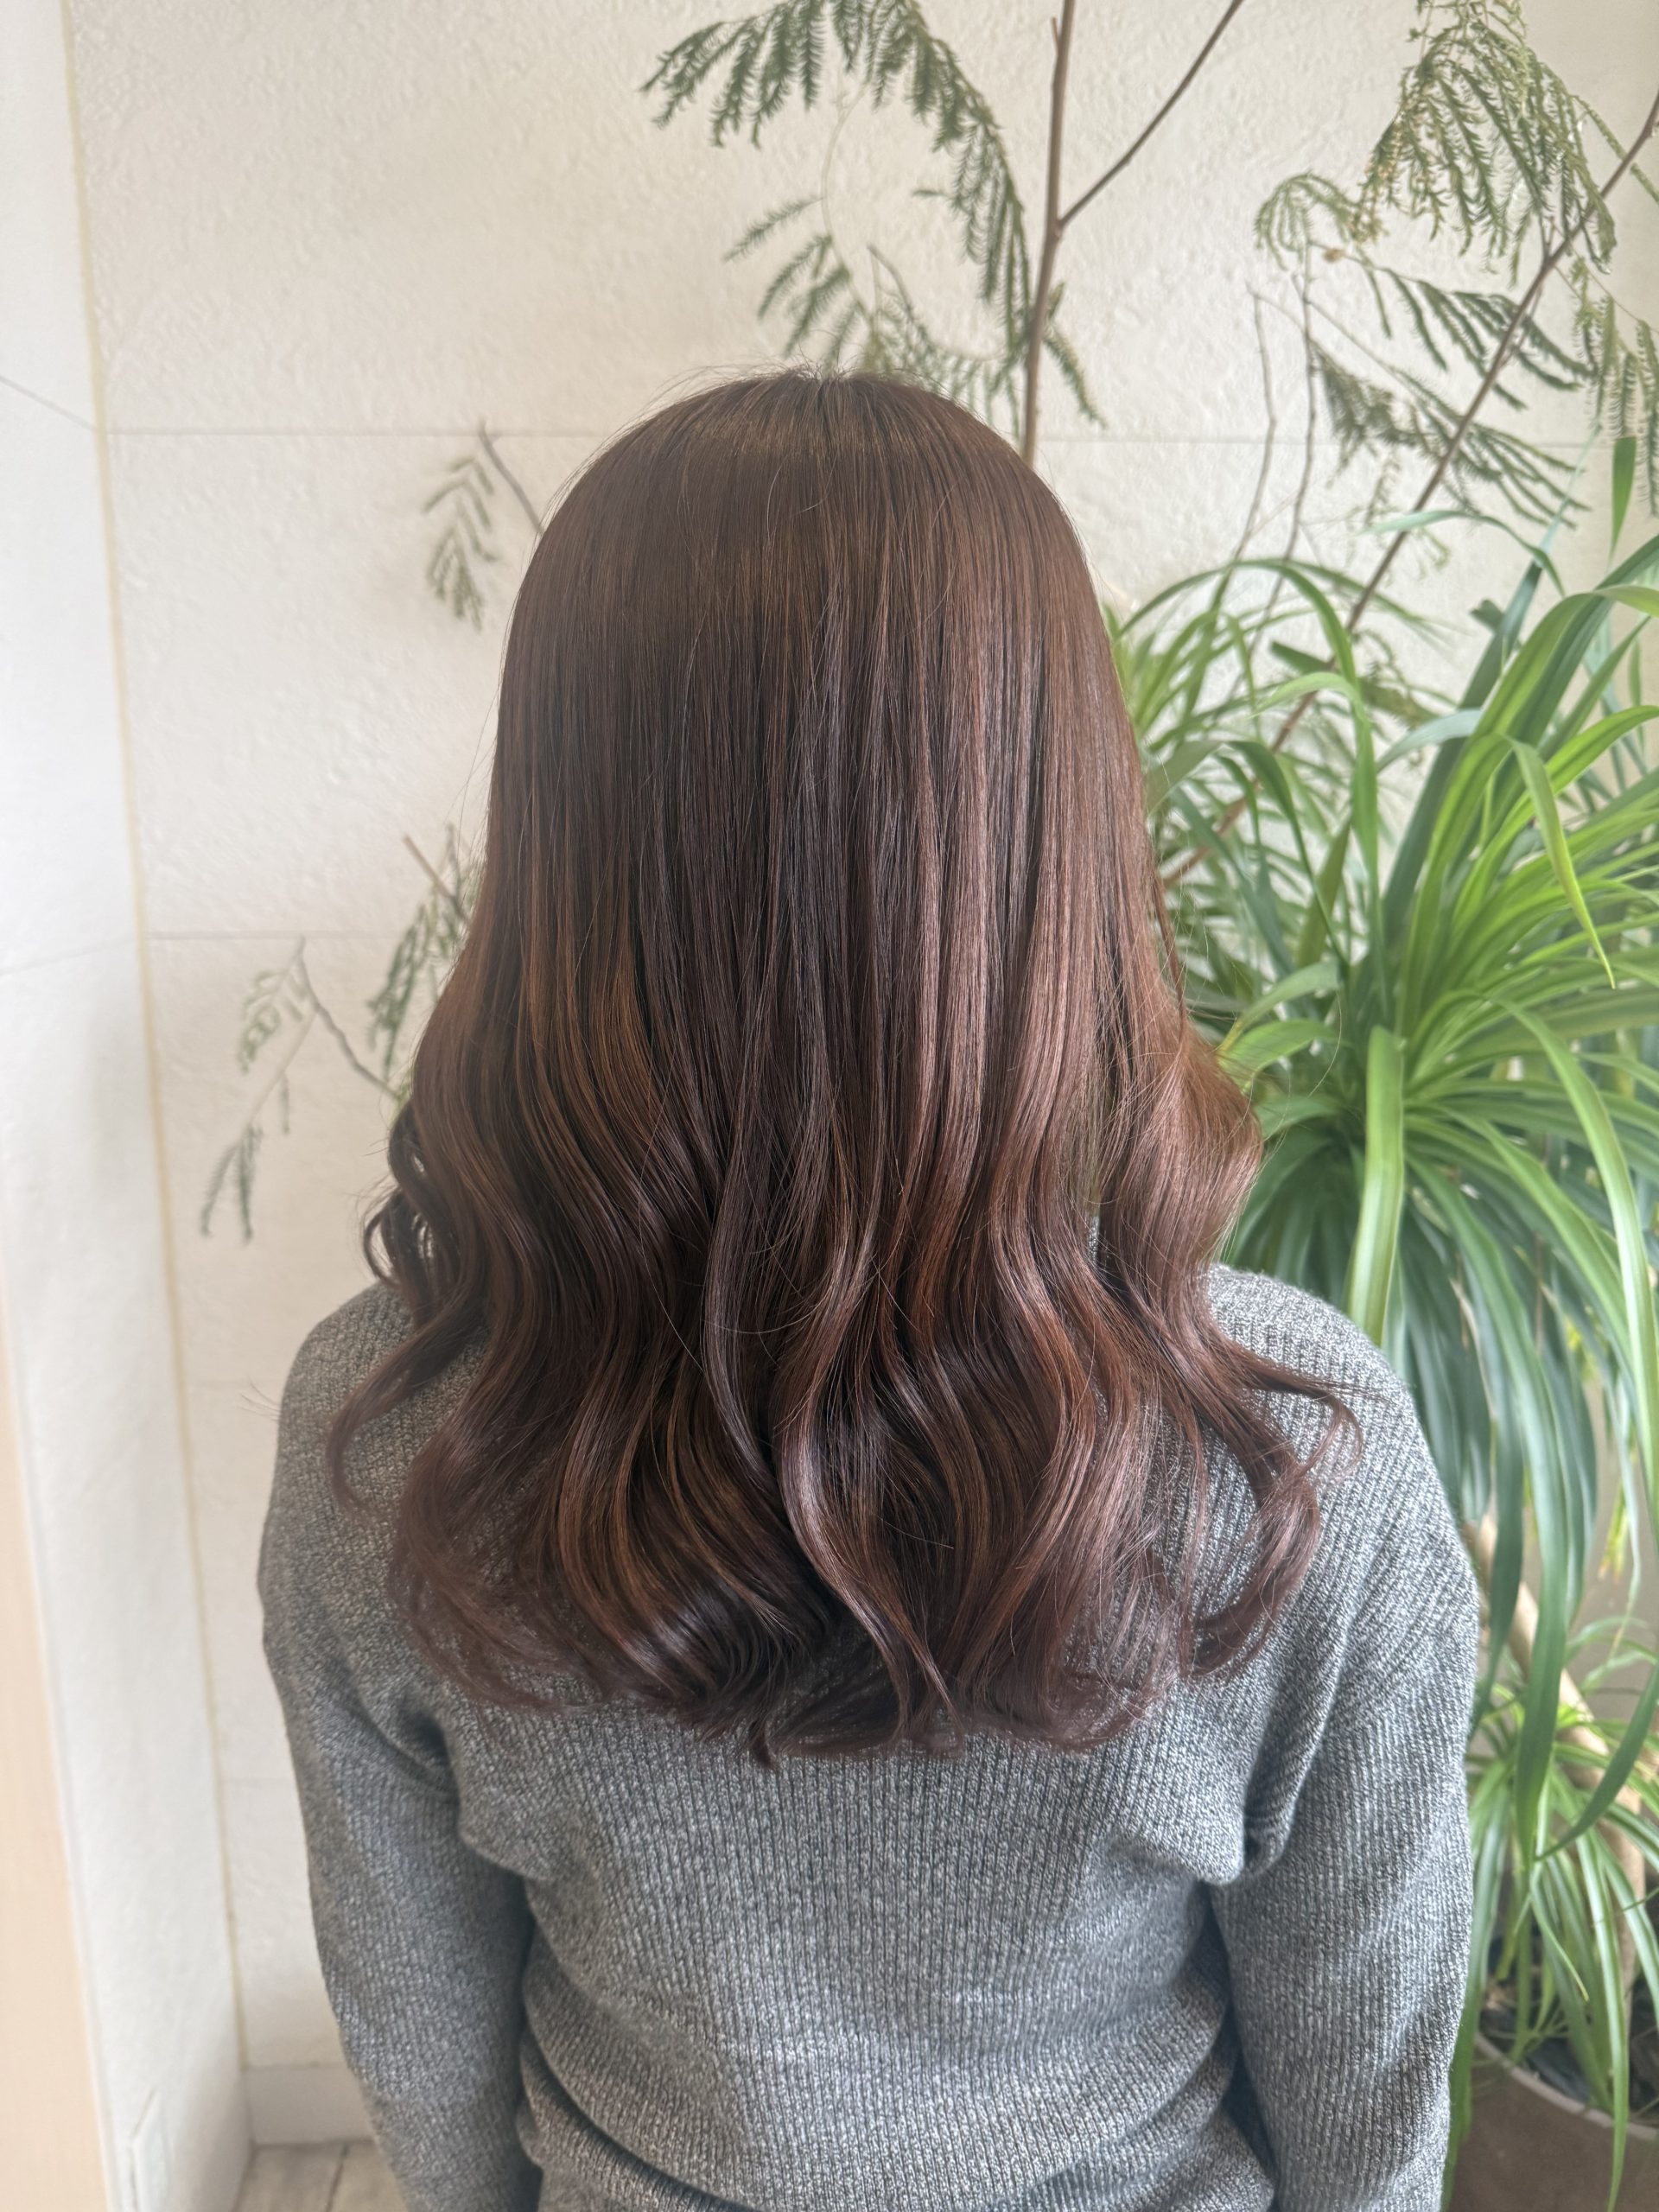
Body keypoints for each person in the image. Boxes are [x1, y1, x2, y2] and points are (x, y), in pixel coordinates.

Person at [257, 367, 1481, 2212]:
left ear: (564, 852)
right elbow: (1365, 2106)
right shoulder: (1290, 1452)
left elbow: (427, 2060)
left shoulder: (396, 1441)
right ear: (1061, 847)